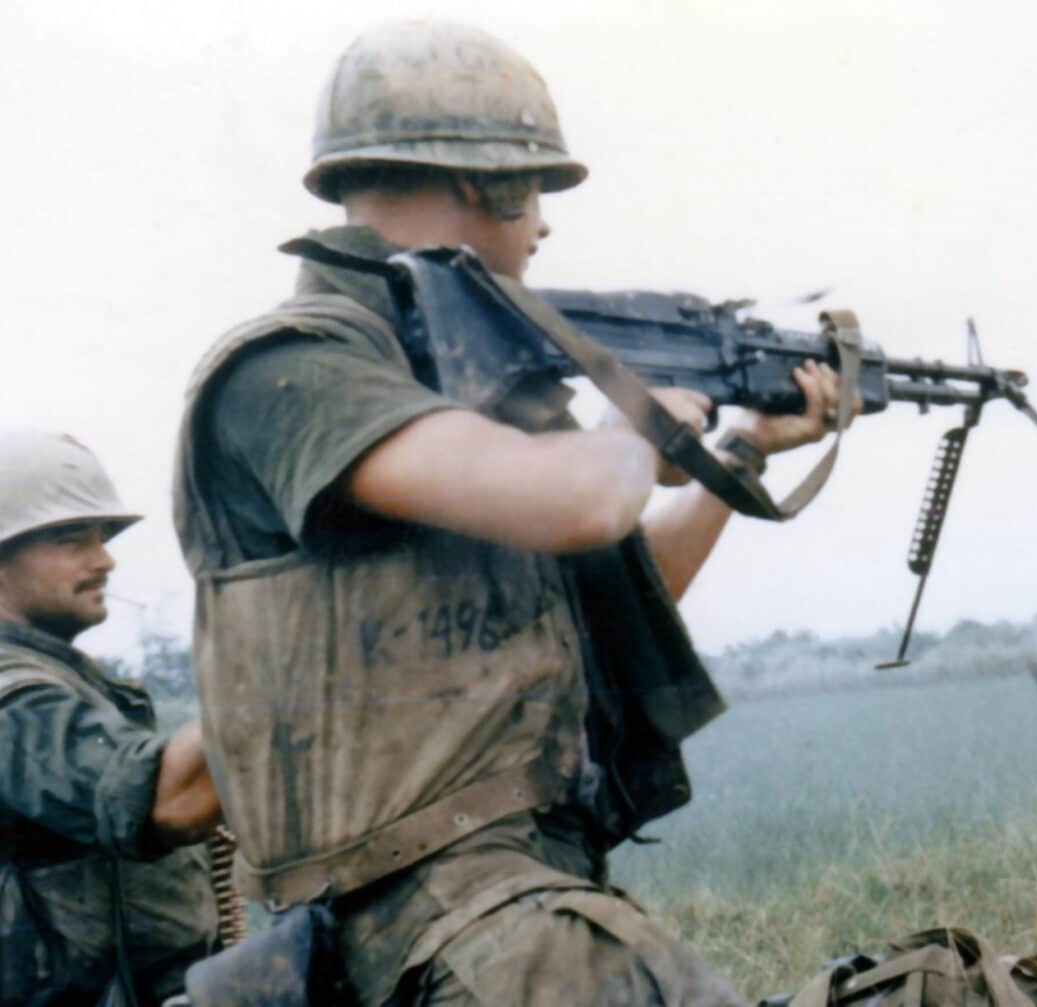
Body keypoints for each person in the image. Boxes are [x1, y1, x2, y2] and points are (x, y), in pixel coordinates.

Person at [173, 20, 850, 1006]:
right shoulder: (292, 367)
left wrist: (735, 449)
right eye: (531, 190)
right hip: (437, 913)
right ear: (481, 181)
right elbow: (582, 499)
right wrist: (646, 422)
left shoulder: (480, 407)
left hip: (507, 902)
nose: (541, 227)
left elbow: (618, 595)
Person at [0, 429, 221, 1005]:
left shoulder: (73, 684)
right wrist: (277, 684)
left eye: (101, 537)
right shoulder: (11, 700)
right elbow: (165, 801)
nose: (105, 560)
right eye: (73, 539)